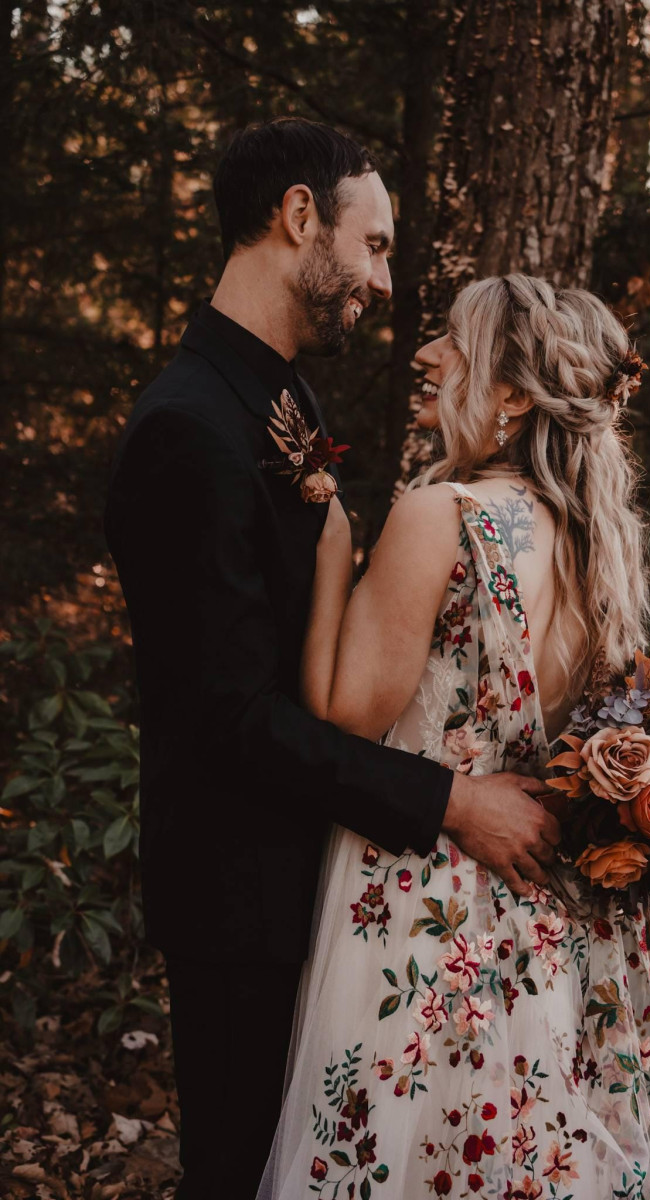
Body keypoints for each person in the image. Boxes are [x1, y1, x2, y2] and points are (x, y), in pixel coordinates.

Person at [102, 119, 558, 1200]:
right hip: (240, 903)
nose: (382, 281)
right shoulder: (186, 429)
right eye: (377, 245)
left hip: (336, 881)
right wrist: (449, 800)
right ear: (299, 218)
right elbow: (229, 720)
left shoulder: (279, 398)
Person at [258, 275, 650, 1199]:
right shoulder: (592, 550)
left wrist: (332, 548)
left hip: (417, 906)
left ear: (509, 396)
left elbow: (344, 716)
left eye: (451, 342)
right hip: (532, 915)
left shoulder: (439, 516)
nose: (424, 357)